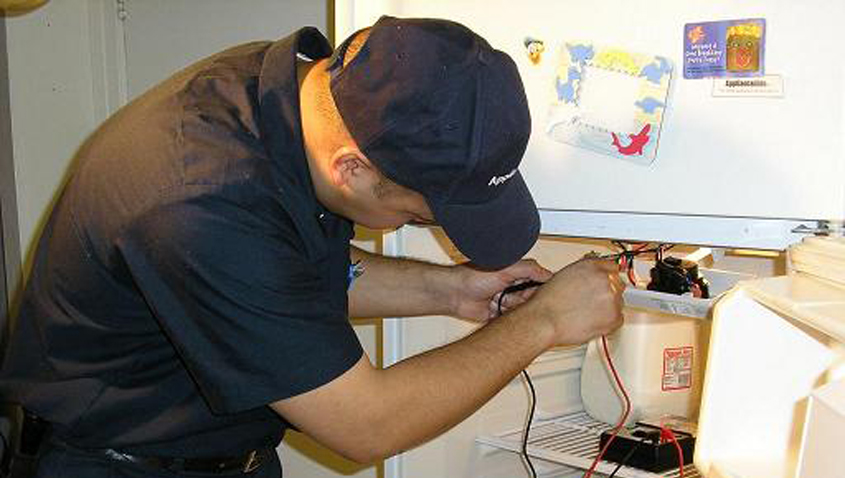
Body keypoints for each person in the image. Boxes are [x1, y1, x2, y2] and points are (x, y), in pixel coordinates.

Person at [0, 16, 624, 478]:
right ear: (350, 168)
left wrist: (456, 291)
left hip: (220, 456)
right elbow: (367, 424)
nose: (416, 223)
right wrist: (542, 323)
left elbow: (292, 274)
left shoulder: (293, 98)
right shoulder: (201, 202)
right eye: (417, 213)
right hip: (119, 465)